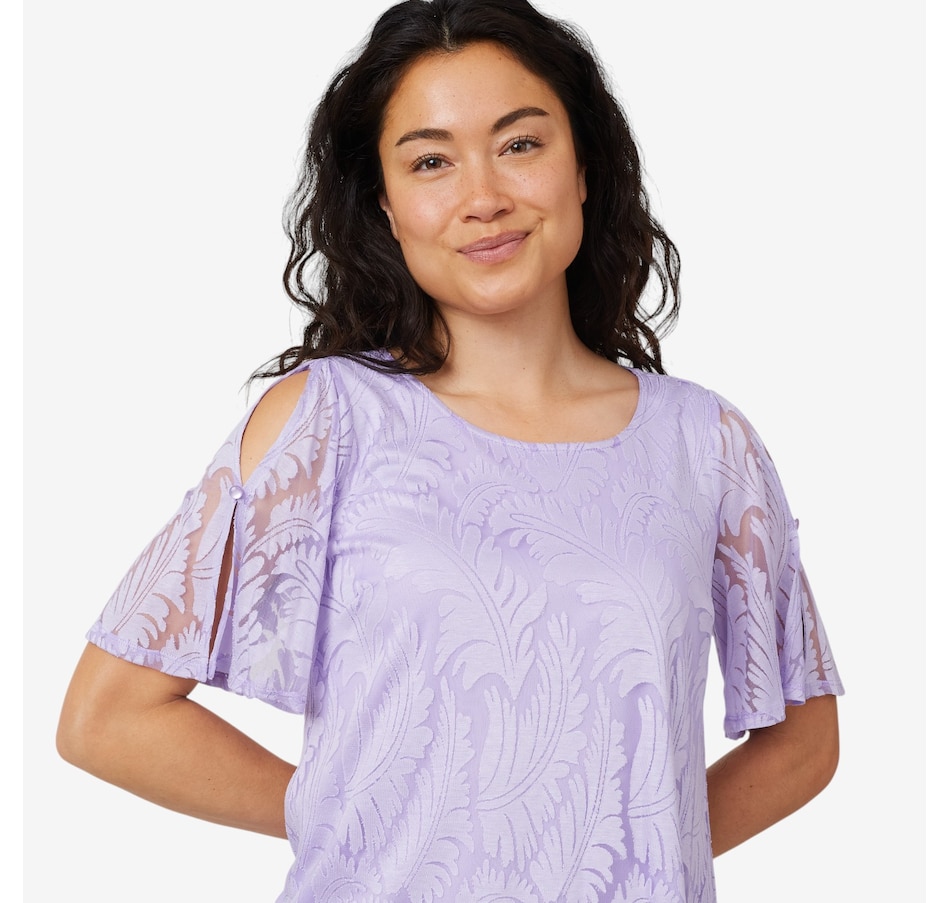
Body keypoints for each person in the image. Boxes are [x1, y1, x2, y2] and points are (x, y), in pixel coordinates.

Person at [56, 0, 844, 900]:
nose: (484, 197)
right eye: (431, 161)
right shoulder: (326, 423)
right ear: (386, 207)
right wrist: (377, 821)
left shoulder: (704, 444)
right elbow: (109, 717)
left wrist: (629, 849)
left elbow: (805, 740)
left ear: (584, 166)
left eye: (520, 144)